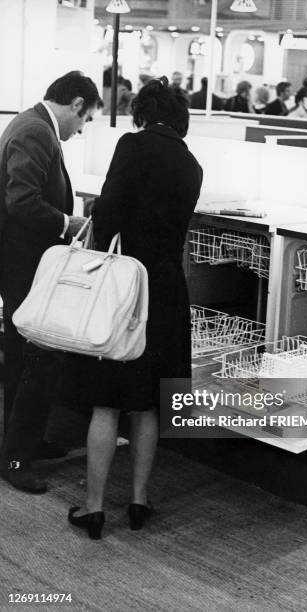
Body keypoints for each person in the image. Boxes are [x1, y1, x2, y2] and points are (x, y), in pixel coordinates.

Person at [65, 77, 203, 540]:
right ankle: (140, 501)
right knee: (147, 405)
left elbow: (108, 214)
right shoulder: (191, 165)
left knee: (107, 402)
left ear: (142, 114)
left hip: (124, 285)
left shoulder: (132, 146)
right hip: (164, 290)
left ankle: (94, 508)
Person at [0, 71, 102, 494]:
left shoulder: (30, 124)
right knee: (36, 358)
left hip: (20, 260)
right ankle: (16, 458)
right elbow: (21, 200)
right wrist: (69, 222)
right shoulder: (37, 131)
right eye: (86, 120)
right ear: (77, 104)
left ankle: (22, 444)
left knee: (24, 357)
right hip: (24, 262)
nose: (80, 131)